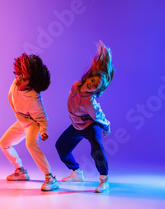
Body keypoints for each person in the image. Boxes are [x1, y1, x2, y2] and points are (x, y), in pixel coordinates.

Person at [55, 41, 115, 193]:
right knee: (61, 146)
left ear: (97, 90)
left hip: (90, 126)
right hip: (76, 125)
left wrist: (106, 128)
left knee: (96, 148)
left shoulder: (91, 102)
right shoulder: (75, 85)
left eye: (95, 86)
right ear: (89, 77)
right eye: (93, 80)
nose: (92, 85)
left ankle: (104, 179)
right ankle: (76, 173)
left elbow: (99, 116)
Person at [0, 53, 58, 191]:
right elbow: (12, 100)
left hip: (33, 124)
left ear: (31, 83)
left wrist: (43, 131)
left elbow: (42, 118)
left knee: (31, 144)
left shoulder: (34, 99)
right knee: (4, 143)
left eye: (24, 78)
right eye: (20, 75)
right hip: (22, 121)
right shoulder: (15, 84)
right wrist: (21, 118)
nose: (19, 79)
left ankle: (50, 177)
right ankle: (20, 171)